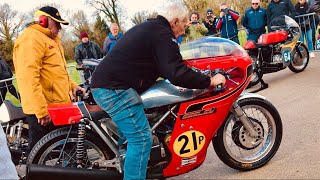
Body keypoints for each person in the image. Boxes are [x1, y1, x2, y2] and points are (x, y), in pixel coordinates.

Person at [90, 2, 226, 180]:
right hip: (113, 89)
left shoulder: (154, 28)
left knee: (135, 130)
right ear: (175, 22)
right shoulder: (163, 34)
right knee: (141, 140)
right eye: (184, 26)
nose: (184, 31)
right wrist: (208, 81)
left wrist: (188, 75)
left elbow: (166, 66)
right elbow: (175, 72)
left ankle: (130, 161)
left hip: (109, 85)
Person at [12, 6, 85, 154]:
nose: (59, 28)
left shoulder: (52, 40)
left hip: (59, 107)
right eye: (57, 23)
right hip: (45, 112)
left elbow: (57, 72)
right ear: (43, 21)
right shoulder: (31, 39)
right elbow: (28, 77)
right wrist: (41, 110)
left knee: (71, 151)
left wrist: (73, 86)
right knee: (38, 159)